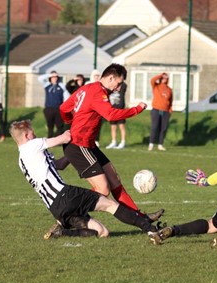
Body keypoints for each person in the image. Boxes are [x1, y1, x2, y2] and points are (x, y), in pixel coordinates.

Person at [9, 119, 160, 238]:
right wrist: (79, 130)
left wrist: (73, 156)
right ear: (27, 135)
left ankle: (63, 232)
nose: (35, 135)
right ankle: (149, 227)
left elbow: (59, 165)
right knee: (110, 205)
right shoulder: (33, 145)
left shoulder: (22, 160)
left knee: (103, 233)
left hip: (55, 208)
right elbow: (66, 137)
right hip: (65, 195)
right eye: (33, 133)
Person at [59, 63, 164, 222]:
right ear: (110, 77)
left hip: (88, 144)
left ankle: (141, 218)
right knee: (102, 189)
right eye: (119, 83)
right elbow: (111, 115)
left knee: (114, 179)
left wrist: (70, 122)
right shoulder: (97, 92)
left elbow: (64, 108)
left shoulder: (87, 88)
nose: (119, 87)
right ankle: (66, 217)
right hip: (79, 145)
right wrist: (137, 109)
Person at [37, 71, 70, 138]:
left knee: (59, 125)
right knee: (50, 125)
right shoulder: (47, 85)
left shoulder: (61, 85)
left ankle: (59, 140)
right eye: (53, 77)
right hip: (49, 108)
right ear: (50, 78)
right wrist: (50, 74)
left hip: (58, 108)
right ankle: (50, 138)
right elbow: (39, 78)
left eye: (56, 77)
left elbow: (67, 96)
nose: (54, 78)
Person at [149, 72, 173, 151]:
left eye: (166, 78)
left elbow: (171, 101)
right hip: (156, 109)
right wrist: (161, 75)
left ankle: (160, 144)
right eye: (163, 78)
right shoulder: (156, 86)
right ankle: (151, 144)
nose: (164, 80)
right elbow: (152, 80)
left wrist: (170, 109)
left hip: (165, 111)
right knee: (154, 127)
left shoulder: (169, 90)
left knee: (163, 128)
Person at [105, 81, 128, 149]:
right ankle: (113, 141)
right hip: (112, 110)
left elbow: (124, 86)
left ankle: (123, 142)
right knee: (113, 127)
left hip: (120, 110)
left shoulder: (122, 85)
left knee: (121, 126)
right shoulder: (110, 87)